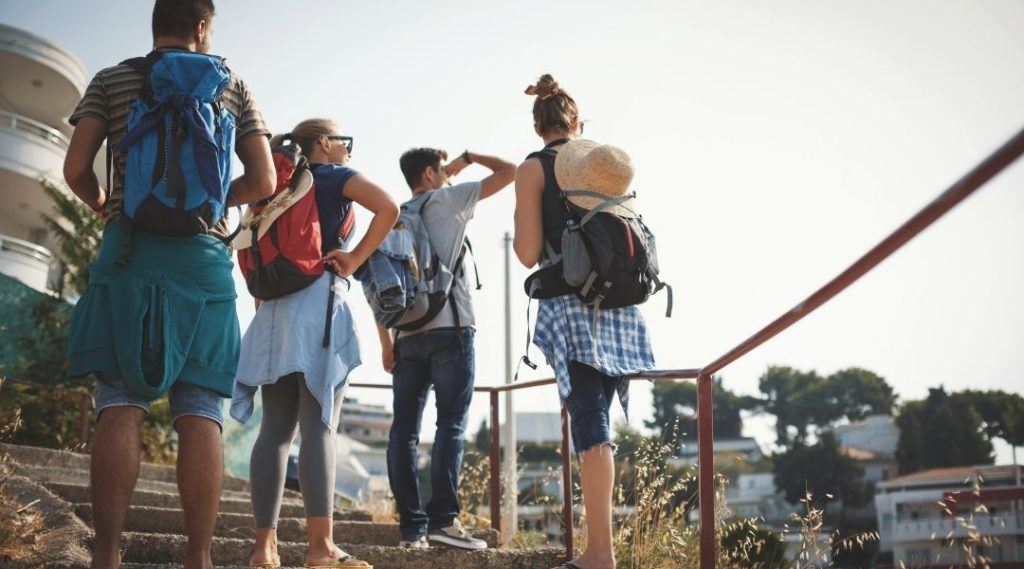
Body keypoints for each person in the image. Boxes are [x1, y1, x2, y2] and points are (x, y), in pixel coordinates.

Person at [61, 1, 277, 568]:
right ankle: (199, 559)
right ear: (203, 27)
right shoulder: (232, 86)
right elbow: (264, 180)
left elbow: (75, 168)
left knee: (120, 403)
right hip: (202, 262)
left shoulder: (112, 80)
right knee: (200, 409)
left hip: (128, 251)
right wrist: (212, 203)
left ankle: (106, 555)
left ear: (157, 23)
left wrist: (108, 204)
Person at [232, 118, 398, 568]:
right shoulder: (333, 177)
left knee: (274, 431)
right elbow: (389, 208)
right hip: (317, 306)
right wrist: (355, 258)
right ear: (324, 143)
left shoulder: (275, 187)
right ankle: (321, 550)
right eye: (344, 142)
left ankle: (263, 548)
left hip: (271, 313)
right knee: (319, 425)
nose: (347, 150)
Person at [512, 74, 656, 569]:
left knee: (590, 423)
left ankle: (601, 553)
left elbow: (528, 253)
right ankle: (601, 549)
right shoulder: (604, 164)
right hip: (622, 306)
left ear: (537, 126)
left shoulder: (532, 169)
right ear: (577, 123)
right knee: (600, 421)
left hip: (570, 309)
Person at [379, 147, 515, 549]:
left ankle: (411, 530)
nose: (450, 176)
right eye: (444, 170)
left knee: (402, 432)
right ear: (430, 173)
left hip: (405, 337)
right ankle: (443, 522)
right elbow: (511, 170)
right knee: (450, 425)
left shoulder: (392, 214)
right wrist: (468, 157)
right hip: (450, 331)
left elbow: (378, 284)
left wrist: (387, 342)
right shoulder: (446, 199)